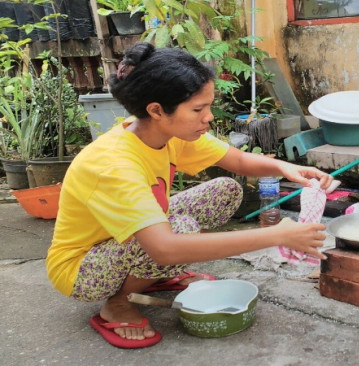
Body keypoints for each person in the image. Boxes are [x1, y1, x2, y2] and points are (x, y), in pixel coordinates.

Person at [45, 42, 334, 349]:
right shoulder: (113, 165)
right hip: (83, 268)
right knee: (178, 234)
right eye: (198, 109)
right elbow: (166, 248)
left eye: (208, 106)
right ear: (156, 110)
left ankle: (151, 277)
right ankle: (116, 304)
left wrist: (288, 169)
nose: (208, 117)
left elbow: (234, 160)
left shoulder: (166, 132)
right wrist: (277, 235)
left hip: (123, 240)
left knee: (224, 191)